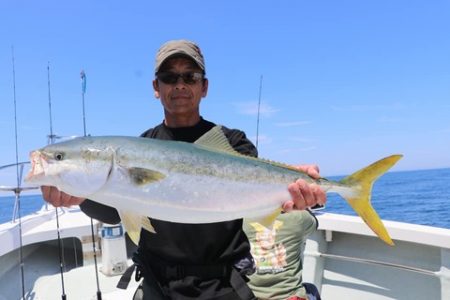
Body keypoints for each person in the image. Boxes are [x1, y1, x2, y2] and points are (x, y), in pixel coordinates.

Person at [40, 39, 326, 300]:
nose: (179, 85)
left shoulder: (233, 142)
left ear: (204, 87)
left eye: (190, 76)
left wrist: (294, 193)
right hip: (158, 285)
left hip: (223, 285)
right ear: (156, 88)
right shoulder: (144, 146)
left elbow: (255, 194)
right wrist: (81, 198)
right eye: (169, 77)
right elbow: (116, 210)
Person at [243, 210, 321, 300]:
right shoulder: (299, 217)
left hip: (250, 295)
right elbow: (315, 223)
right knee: (311, 289)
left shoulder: (240, 218)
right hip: (290, 296)